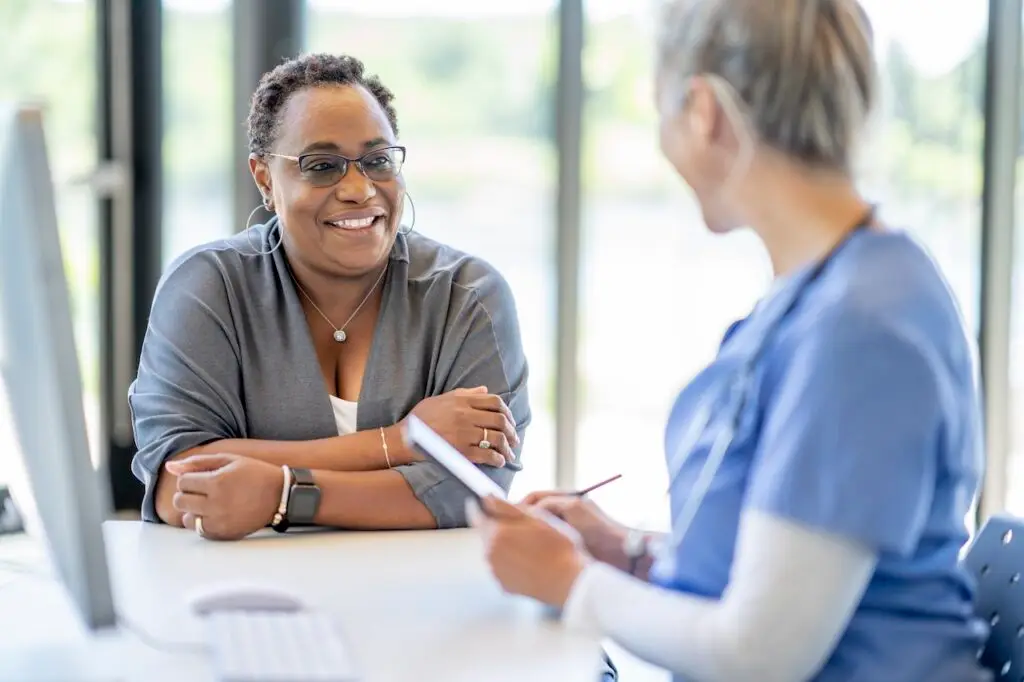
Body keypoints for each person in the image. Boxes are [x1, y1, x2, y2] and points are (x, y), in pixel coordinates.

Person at [472, 1, 991, 681]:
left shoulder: (859, 331)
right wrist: (625, 551)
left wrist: (570, 582)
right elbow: (788, 574)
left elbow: (758, 655)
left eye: (661, 112)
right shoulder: (833, 289)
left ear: (704, 111)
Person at [128, 53, 530, 542]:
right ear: (264, 179)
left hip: (420, 595)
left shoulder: (468, 297)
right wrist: (399, 443)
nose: (360, 189)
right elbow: (180, 482)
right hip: (243, 595)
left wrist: (278, 495)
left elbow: (472, 489)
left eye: (377, 161)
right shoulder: (209, 288)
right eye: (321, 166)